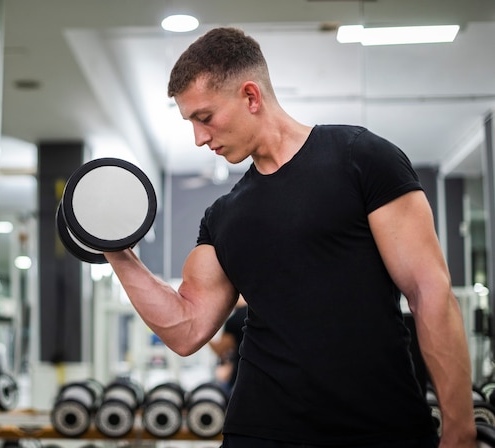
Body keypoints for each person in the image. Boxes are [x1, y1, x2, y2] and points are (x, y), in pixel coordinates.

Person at [104, 27, 476, 447]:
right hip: (261, 431)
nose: (199, 138)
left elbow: (430, 293)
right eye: (191, 123)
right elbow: (187, 329)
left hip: (379, 427)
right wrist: (116, 252)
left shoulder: (361, 158)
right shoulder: (224, 216)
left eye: (204, 118)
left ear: (251, 96)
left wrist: (460, 428)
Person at [208, 295, 247, 395]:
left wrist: (204, 334)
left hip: (241, 376)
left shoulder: (234, 320)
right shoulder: (260, 315)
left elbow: (221, 350)